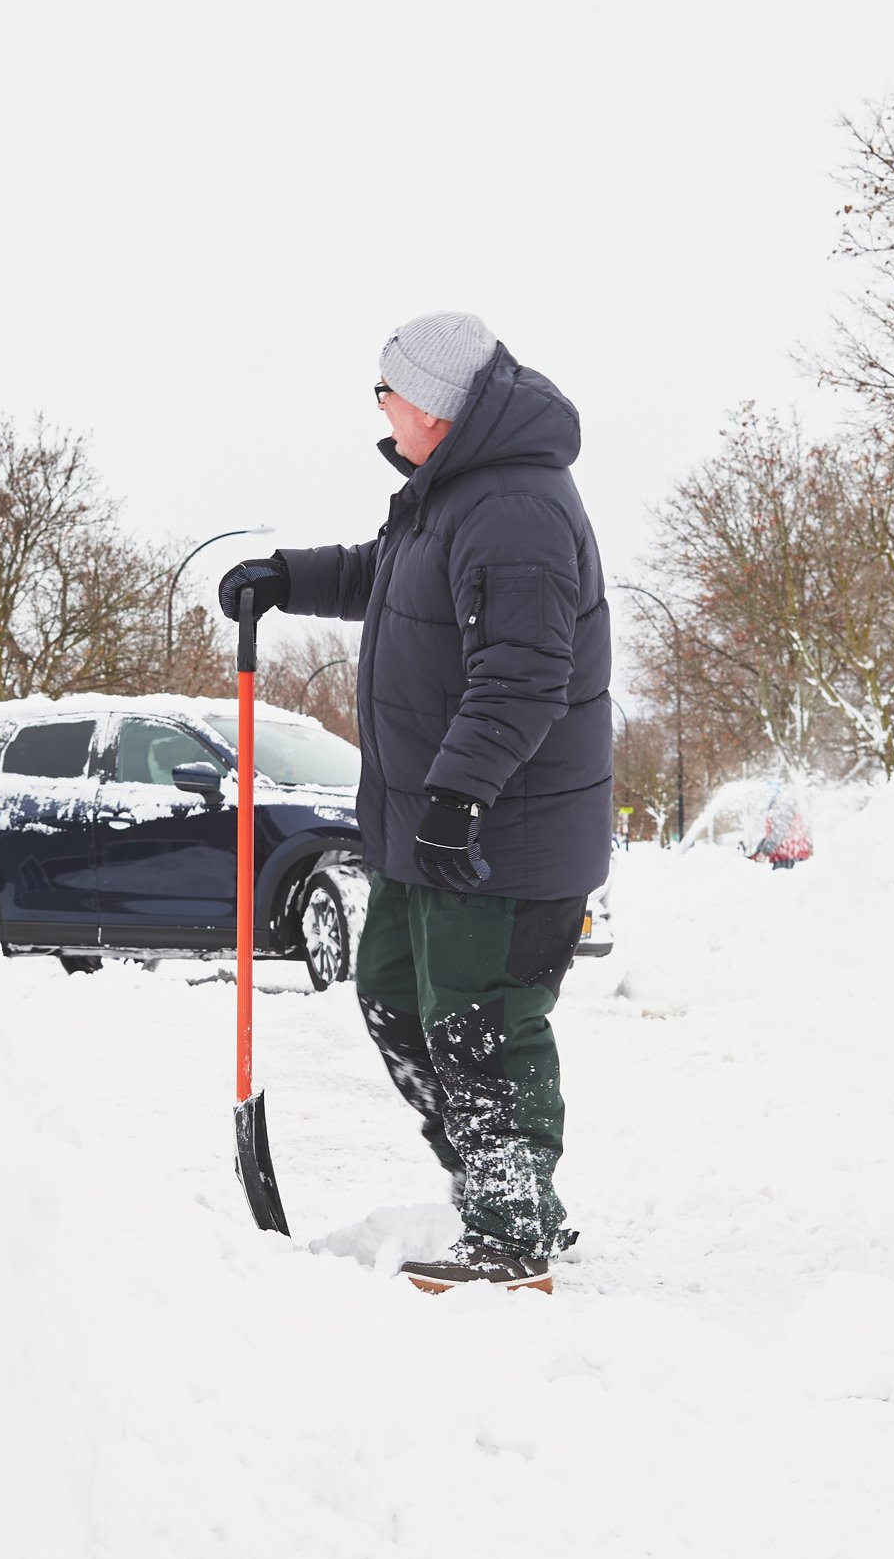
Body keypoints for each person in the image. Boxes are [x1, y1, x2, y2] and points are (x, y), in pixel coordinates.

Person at [219, 312, 611, 1293]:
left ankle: (512, 1227)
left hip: (495, 834)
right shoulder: (449, 497)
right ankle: (495, 1185)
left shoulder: (514, 509)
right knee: (397, 996)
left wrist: (459, 796)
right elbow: (388, 581)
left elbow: (523, 676)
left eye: (389, 390)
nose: (382, 407)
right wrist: (289, 577)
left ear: (434, 403)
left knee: (480, 1021)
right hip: (431, 824)